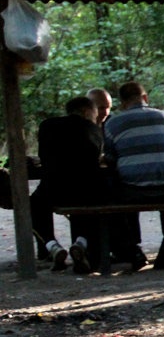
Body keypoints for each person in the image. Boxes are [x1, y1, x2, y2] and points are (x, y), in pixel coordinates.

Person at [104, 81, 164, 270]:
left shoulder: (113, 123)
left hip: (132, 192)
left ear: (122, 103)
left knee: (112, 196)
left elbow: (111, 158)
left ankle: (133, 250)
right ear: (145, 98)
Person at [30, 96, 110, 273]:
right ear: (86, 111)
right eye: (95, 113)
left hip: (53, 189)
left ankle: (52, 246)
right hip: (85, 190)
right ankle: (81, 242)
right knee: (97, 199)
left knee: (33, 204)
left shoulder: (47, 125)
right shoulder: (93, 129)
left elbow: (44, 156)